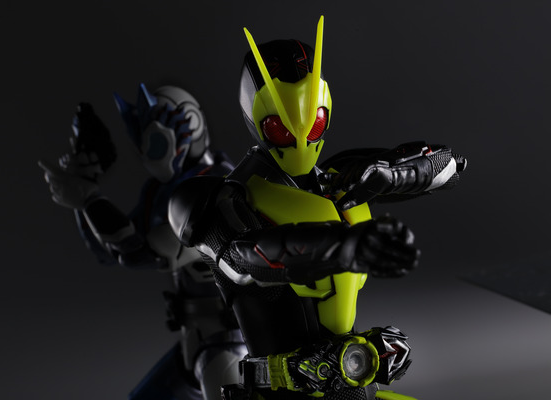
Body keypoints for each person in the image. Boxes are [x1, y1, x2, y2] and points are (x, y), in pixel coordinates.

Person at [168, 17, 466, 400]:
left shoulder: (341, 181)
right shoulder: (228, 199)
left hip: (352, 384)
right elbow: (245, 257)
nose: (299, 141)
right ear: (256, 118)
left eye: (314, 125)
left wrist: (392, 174)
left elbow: (451, 164)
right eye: (280, 129)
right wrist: (344, 247)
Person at [39, 85, 246, 400]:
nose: (149, 153)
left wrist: (89, 199)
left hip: (228, 340)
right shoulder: (159, 193)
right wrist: (84, 197)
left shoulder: (218, 187)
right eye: (142, 143)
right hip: (192, 341)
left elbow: (142, 252)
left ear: (189, 124)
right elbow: (113, 250)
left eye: (155, 141)